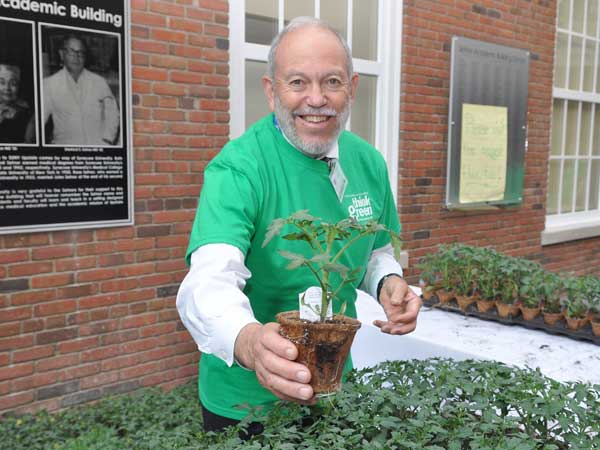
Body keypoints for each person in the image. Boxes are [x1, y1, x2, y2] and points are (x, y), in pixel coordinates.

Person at [176, 17, 422, 436]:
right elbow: (207, 282)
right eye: (297, 83)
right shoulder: (239, 168)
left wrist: (389, 283)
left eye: (331, 81)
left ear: (353, 88)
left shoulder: (369, 163)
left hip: (332, 386)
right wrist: (250, 342)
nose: (316, 99)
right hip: (245, 404)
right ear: (272, 92)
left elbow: (376, 250)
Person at [43, 35, 120, 146]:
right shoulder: (49, 84)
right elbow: (40, 119)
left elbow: (113, 114)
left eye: (81, 52)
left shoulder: (99, 82)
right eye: (72, 51)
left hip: (97, 148)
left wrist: (107, 140)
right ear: (61, 54)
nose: (76, 56)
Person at [0, 62, 35, 144]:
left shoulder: (27, 113)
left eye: (13, 83)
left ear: (19, 86)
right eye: (2, 82)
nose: (7, 88)